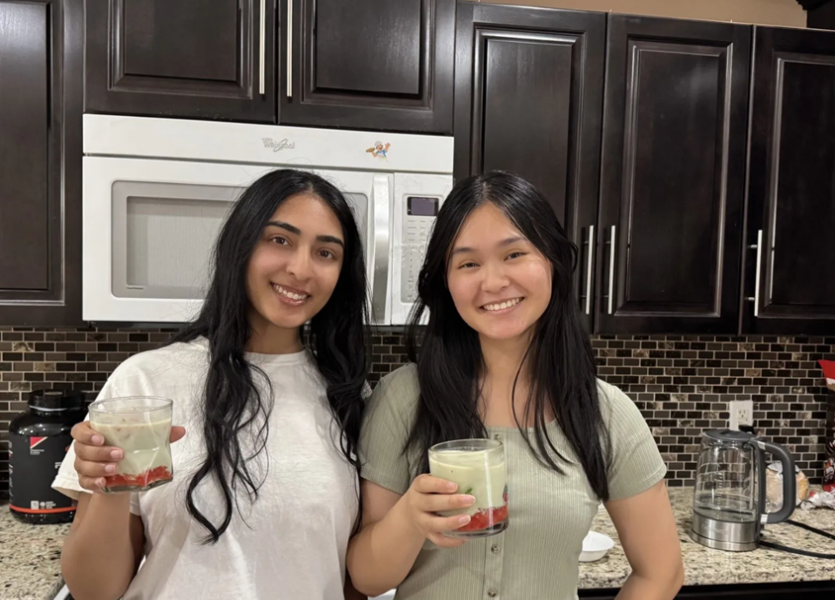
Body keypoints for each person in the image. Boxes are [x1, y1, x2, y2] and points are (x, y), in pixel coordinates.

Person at [347, 171, 684, 600]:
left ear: (552, 261)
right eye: (468, 263)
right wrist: (409, 520)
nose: (493, 282)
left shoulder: (606, 413)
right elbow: (365, 578)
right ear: (446, 283)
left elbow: (662, 572)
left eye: (514, 254)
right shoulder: (402, 399)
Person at [52, 169, 369, 600]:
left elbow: (353, 579)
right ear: (241, 246)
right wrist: (109, 485)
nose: (301, 269)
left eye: (326, 253)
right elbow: (94, 590)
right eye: (280, 240)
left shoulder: (351, 397)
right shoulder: (144, 382)